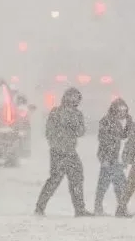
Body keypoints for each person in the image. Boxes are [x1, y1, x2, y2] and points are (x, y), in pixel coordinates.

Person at [34, 87, 91, 217]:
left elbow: (81, 132)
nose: (73, 100)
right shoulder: (56, 112)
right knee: (55, 180)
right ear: (66, 97)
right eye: (71, 97)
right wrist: (57, 141)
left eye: (76, 97)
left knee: (77, 178)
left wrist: (75, 127)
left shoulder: (78, 114)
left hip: (70, 151)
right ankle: (40, 207)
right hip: (58, 151)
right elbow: (49, 131)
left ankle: (80, 209)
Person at [94, 98, 132, 215]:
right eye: (121, 110)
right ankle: (117, 209)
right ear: (115, 110)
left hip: (113, 158)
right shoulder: (106, 121)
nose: (123, 113)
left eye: (125, 110)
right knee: (113, 184)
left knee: (114, 184)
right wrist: (105, 159)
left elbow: (123, 136)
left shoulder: (115, 122)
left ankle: (118, 209)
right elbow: (104, 140)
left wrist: (129, 123)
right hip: (108, 158)